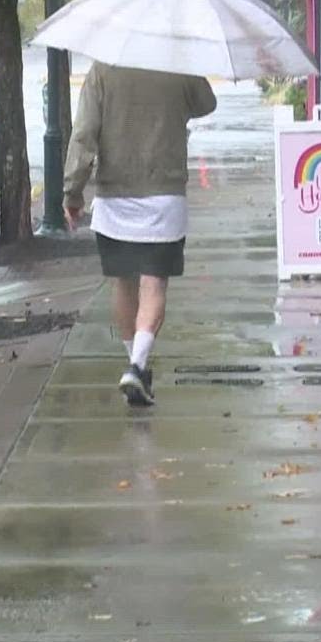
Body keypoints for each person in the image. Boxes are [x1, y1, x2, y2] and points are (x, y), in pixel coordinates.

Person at [62, 61, 217, 406]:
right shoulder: (176, 62)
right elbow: (206, 102)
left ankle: (135, 366)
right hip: (164, 194)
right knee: (154, 283)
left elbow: (83, 132)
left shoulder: (102, 70)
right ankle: (138, 365)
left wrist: (73, 191)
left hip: (114, 197)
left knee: (123, 282)